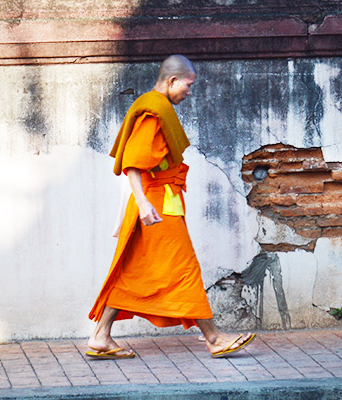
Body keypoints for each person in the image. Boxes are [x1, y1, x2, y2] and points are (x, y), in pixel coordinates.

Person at [87, 55, 256, 360]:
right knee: (184, 269)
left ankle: (100, 336)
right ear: (172, 80)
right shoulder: (152, 113)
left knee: (133, 271)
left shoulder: (158, 108)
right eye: (188, 86)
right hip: (155, 204)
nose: (189, 92)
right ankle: (214, 338)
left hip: (160, 200)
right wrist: (142, 203)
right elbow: (134, 163)